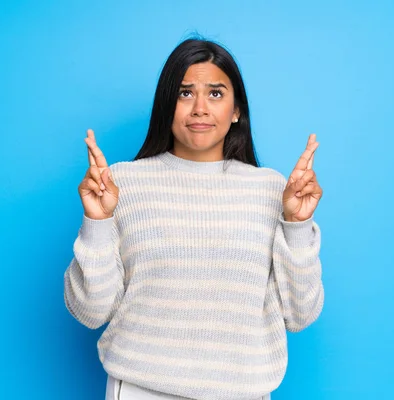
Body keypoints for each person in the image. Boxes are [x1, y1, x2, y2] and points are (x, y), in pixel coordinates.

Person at [63, 37, 324, 400]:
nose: (200, 108)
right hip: (142, 389)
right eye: (185, 93)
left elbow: (300, 314)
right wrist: (97, 222)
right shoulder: (122, 185)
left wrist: (296, 227)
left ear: (237, 110)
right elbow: (91, 311)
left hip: (243, 392)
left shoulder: (271, 191)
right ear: (166, 105)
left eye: (216, 94)